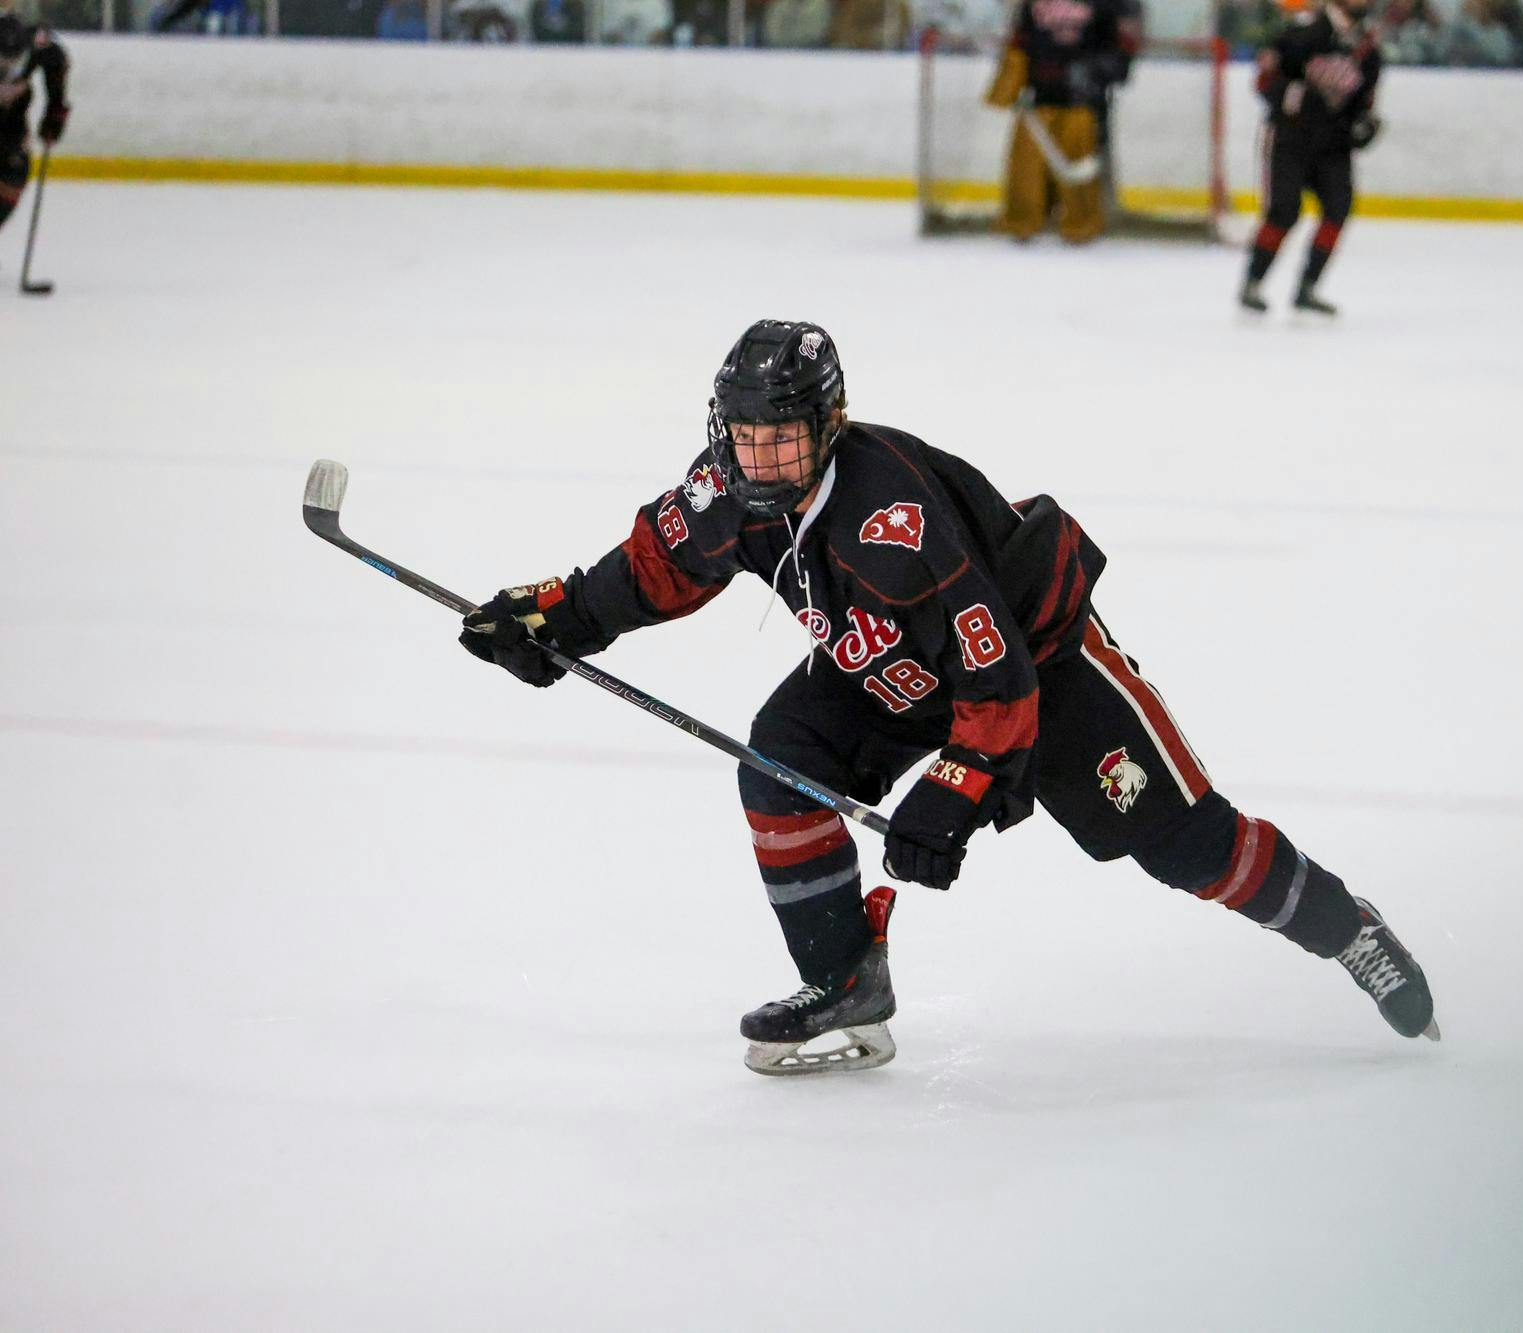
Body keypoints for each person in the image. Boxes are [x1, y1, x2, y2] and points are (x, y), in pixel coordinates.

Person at [459, 320, 1441, 1076]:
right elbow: (654, 568)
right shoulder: (726, 492)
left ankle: (1347, 929)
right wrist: (559, 620)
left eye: (782, 441)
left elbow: (999, 677)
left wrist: (955, 793)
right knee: (781, 757)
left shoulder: (894, 522)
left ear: (827, 426)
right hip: (890, 669)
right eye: (744, 438)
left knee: (1187, 845)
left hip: (1040, 669)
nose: (760, 463)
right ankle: (846, 975)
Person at [1239, 0, 1381, 316]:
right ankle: (1252, 282)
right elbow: (1266, 79)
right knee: (1285, 210)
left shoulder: (1368, 50)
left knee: (1338, 208)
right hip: (1292, 137)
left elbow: (1364, 102)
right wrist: (1290, 97)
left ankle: (1307, 288)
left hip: (1333, 145)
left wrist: (1363, 124)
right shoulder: (1303, 33)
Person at [982, 0, 1139, 244]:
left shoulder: (1108, 5)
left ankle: (1081, 224)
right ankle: (1021, 221)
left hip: (1082, 104)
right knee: (1025, 165)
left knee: (1080, 168)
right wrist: (1011, 75)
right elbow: (1020, 40)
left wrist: (1101, 71)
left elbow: (1120, 48)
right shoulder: (1031, 4)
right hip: (1038, 100)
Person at [0, 10, 65, 245]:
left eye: (13, 61)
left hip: (10, 126)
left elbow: (56, 61)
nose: (7, 68)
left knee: (14, 171)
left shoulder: (38, 45)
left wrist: (54, 117)